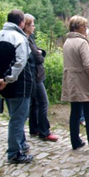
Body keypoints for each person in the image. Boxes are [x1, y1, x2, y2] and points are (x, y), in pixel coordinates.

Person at [0, 9, 35, 164]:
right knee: (18, 118)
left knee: (16, 116)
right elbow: (20, 62)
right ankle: (14, 153)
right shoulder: (19, 38)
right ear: (21, 23)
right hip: (18, 84)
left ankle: (21, 144)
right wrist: (8, 79)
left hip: (3, 84)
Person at [61, 15, 89, 152]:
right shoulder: (82, 42)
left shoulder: (67, 41)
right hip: (83, 82)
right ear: (77, 28)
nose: (86, 29)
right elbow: (88, 65)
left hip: (71, 81)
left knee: (75, 113)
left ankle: (75, 141)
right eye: (84, 26)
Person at [23, 14, 58, 142]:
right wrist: (39, 54)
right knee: (43, 102)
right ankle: (44, 131)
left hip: (33, 75)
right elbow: (37, 57)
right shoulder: (26, 40)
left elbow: (39, 52)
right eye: (32, 24)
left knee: (35, 103)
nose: (34, 27)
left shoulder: (29, 38)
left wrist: (39, 52)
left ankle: (34, 128)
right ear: (26, 26)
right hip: (35, 76)